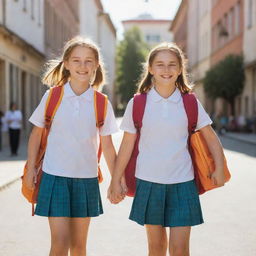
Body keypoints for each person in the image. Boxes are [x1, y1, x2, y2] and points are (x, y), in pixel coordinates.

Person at [108, 42, 225, 256]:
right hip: (149, 182)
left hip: (183, 182)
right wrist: (115, 179)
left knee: (180, 250)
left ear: (180, 69)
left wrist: (219, 167)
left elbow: (211, 137)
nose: (166, 70)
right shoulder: (138, 103)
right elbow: (126, 145)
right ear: (150, 69)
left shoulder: (189, 101)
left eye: (172, 65)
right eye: (160, 65)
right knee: (157, 248)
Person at [23, 36, 119, 256]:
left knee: (78, 247)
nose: (82, 66)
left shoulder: (101, 102)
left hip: (86, 180)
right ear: (66, 63)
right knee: (59, 244)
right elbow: (36, 134)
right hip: (54, 176)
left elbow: (108, 146)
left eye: (88, 61)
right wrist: (30, 169)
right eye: (76, 60)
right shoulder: (52, 97)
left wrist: (116, 180)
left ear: (96, 65)